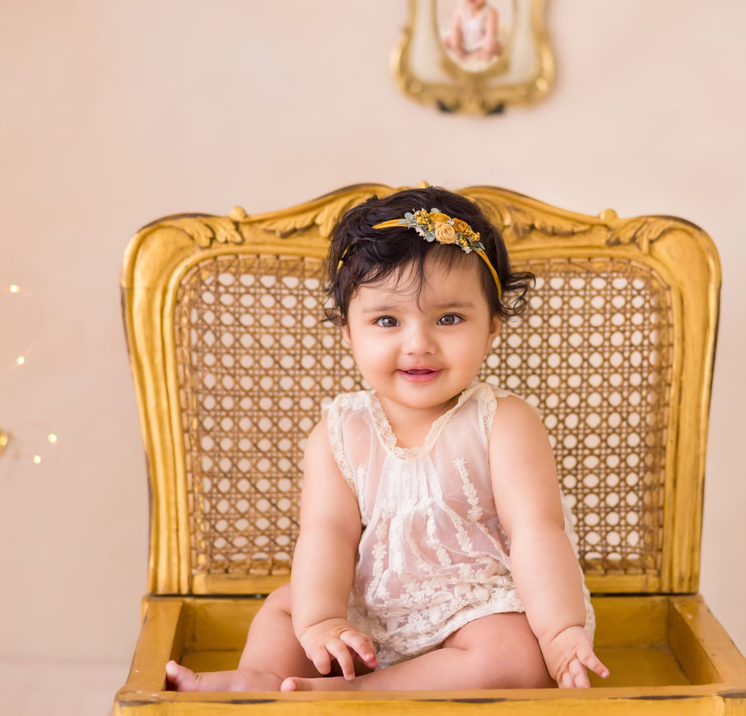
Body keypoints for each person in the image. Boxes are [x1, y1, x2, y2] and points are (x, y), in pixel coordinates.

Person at [165, 186, 608, 693]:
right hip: (372, 602)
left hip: (473, 606)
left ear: (492, 328)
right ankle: (257, 681)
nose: (418, 343)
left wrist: (559, 632)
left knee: (513, 655)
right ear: (348, 332)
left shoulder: (504, 422)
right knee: (287, 605)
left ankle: (353, 695)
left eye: (449, 318)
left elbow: (537, 531)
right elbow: (327, 533)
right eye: (387, 320)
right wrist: (322, 621)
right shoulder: (338, 431)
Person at [440, 0, 502, 66]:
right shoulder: (459, 10)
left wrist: (486, 50)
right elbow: (455, 29)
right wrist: (457, 47)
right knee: (445, 41)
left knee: (497, 48)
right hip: (464, 40)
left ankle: (476, 54)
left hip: (481, 42)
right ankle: (464, 53)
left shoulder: (490, 12)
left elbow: (491, 33)